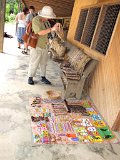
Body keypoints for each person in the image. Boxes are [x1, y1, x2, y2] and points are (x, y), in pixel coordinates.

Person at [28, 6, 60, 85]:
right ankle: (30, 77)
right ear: (43, 14)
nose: (49, 18)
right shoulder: (35, 20)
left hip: (45, 45)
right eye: (48, 16)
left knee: (43, 63)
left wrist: (54, 29)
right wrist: (52, 29)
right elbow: (39, 32)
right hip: (36, 45)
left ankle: (43, 77)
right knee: (34, 62)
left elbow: (48, 32)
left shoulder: (46, 21)